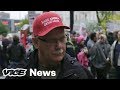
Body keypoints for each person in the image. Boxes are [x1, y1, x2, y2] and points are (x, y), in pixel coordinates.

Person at [6, 12, 93, 79]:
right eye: (51, 40)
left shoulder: (80, 72)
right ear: (36, 43)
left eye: (62, 39)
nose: (59, 46)